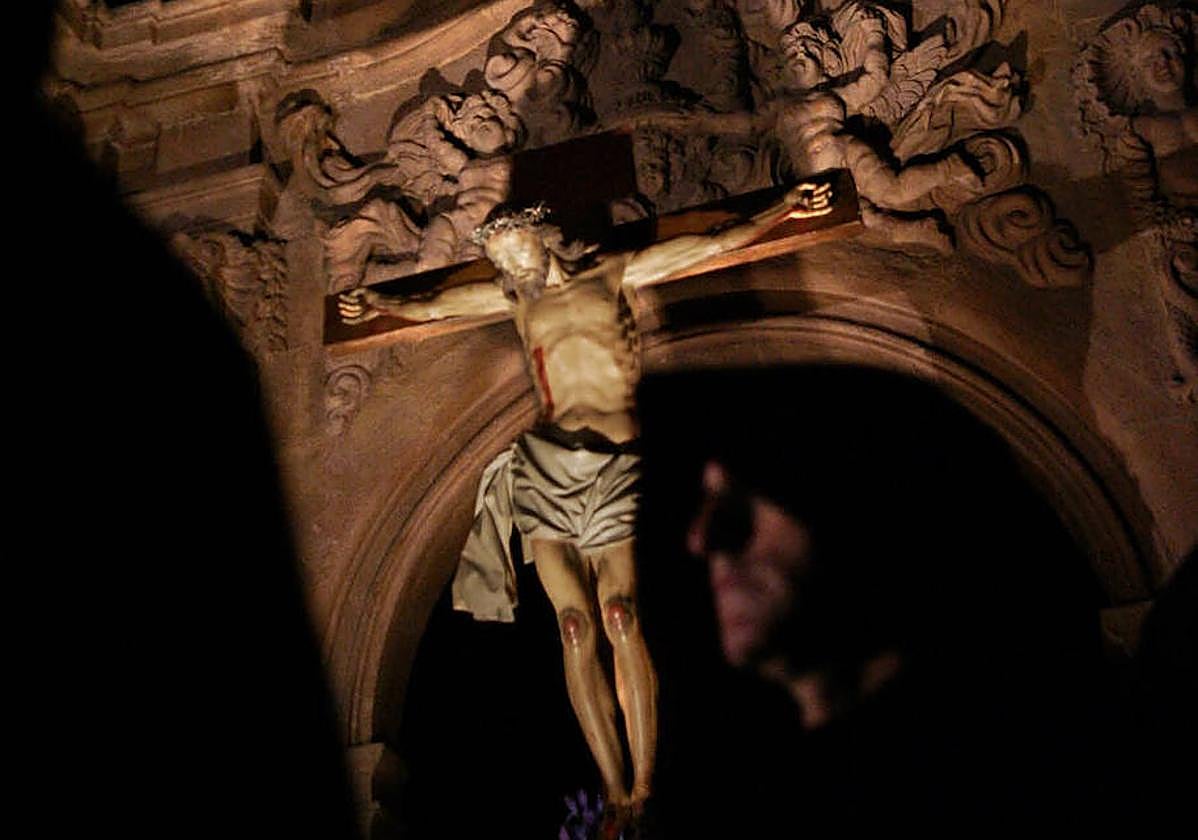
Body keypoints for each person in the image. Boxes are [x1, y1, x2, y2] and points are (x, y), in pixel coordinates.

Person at [337, 181, 834, 824]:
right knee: (573, 627)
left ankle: (643, 786)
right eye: (501, 264)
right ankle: (613, 790)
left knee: (620, 615)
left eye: (516, 255)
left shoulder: (610, 273)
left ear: (541, 240)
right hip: (547, 465)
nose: (511, 271)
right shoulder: (516, 301)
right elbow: (431, 305)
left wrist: (782, 209)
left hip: (612, 462)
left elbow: (711, 242)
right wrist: (376, 300)